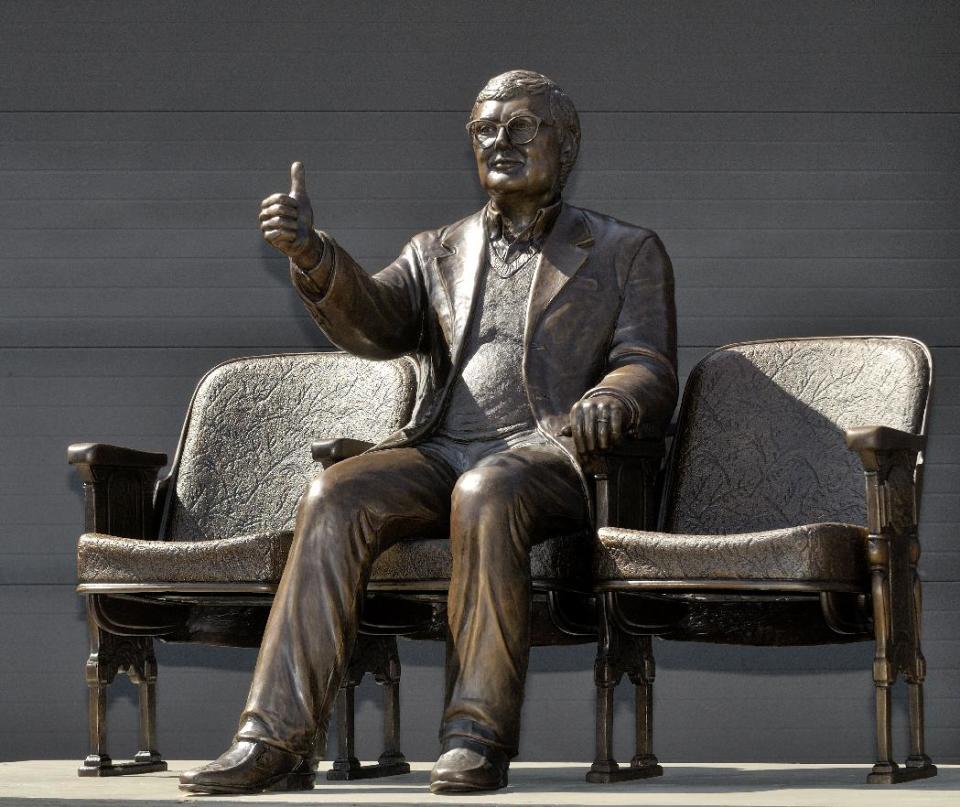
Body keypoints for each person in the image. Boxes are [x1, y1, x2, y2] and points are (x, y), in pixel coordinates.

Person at [180, 69, 677, 796]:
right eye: (484, 131)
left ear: (564, 145)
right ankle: (275, 738)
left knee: (489, 488)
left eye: (519, 128)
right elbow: (378, 321)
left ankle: (474, 734)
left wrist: (613, 394)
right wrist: (315, 256)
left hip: (550, 456)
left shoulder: (624, 251)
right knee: (334, 493)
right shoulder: (438, 249)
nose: (498, 142)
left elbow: (649, 365)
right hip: (441, 446)